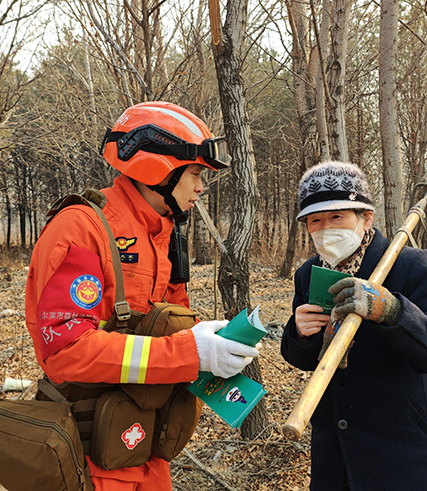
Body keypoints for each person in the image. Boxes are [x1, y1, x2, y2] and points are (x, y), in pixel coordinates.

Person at [25, 101, 259, 491]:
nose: (201, 187)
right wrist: (189, 354)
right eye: (197, 173)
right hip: (88, 457)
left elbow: (168, 324)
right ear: (160, 168)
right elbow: (65, 352)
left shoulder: (164, 234)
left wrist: (212, 348)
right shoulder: (82, 230)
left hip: (144, 450)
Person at [280, 161, 427, 490]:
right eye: (315, 220)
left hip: (403, 451)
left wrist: (393, 311)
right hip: (335, 457)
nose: (325, 228)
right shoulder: (309, 274)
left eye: (337, 216)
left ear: (366, 217)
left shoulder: (408, 265)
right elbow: (302, 358)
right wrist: (301, 334)